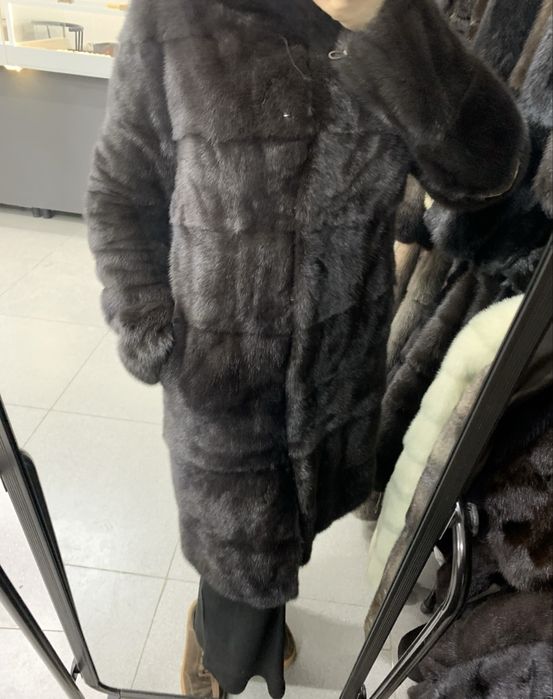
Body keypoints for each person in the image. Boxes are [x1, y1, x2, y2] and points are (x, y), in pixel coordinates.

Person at [86, 0, 527, 696]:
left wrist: (387, 25)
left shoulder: (393, 22)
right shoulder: (176, 14)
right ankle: (224, 660)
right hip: (220, 381)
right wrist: (151, 328)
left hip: (334, 382)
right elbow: (121, 185)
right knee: (236, 559)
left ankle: (244, 624)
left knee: (288, 539)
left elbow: (488, 168)